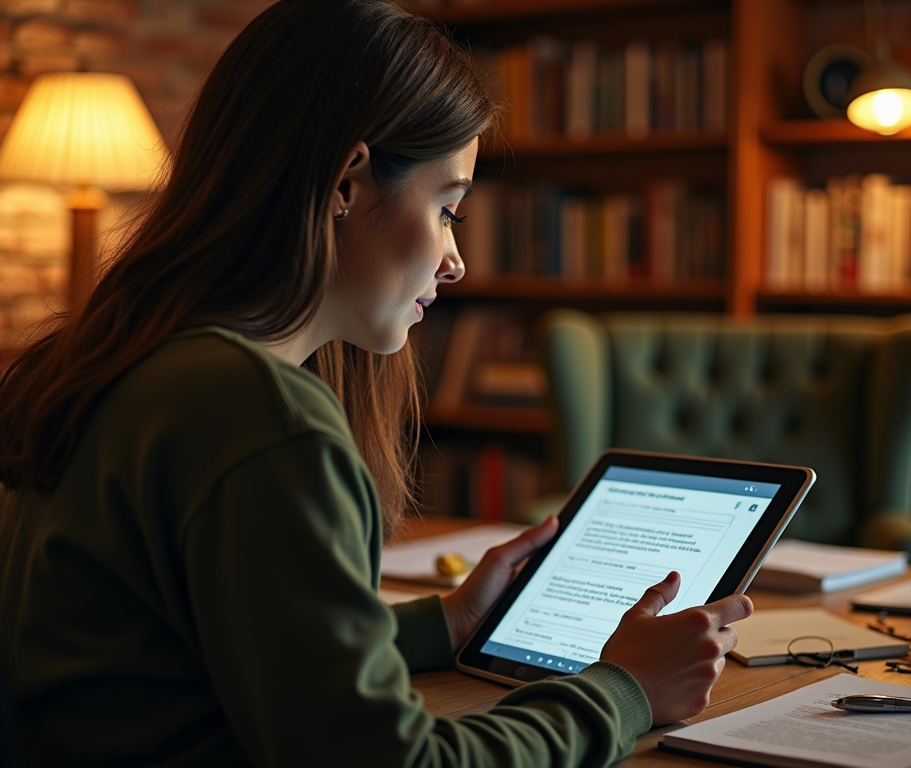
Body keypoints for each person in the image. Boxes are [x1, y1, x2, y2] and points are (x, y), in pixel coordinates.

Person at [0, 1, 752, 765]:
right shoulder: (259, 417)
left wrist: (450, 623)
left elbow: (206, 652)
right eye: (448, 207)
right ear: (348, 182)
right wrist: (622, 688)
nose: (456, 260)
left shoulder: (116, 364)